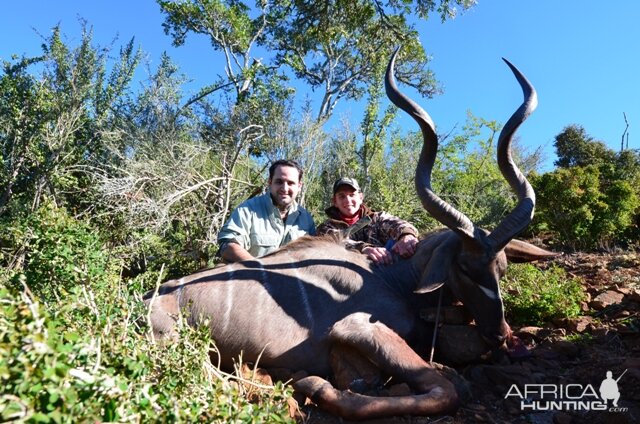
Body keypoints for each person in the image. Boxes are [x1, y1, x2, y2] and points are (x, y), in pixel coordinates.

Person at [217, 159, 316, 263]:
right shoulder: (248, 209)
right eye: (279, 182)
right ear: (270, 182)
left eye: (291, 183)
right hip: (251, 276)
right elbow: (227, 246)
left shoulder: (306, 218)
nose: (285, 188)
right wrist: (260, 269)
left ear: (299, 186)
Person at [316, 177, 419, 264]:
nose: (347, 200)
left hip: (385, 273)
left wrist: (406, 236)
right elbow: (337, 241)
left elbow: (397, 224)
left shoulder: (376, 218)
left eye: (352, 195)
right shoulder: (326, 228)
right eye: (342, 196)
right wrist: (364, 248)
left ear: (360, 197)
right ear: (335, 202)